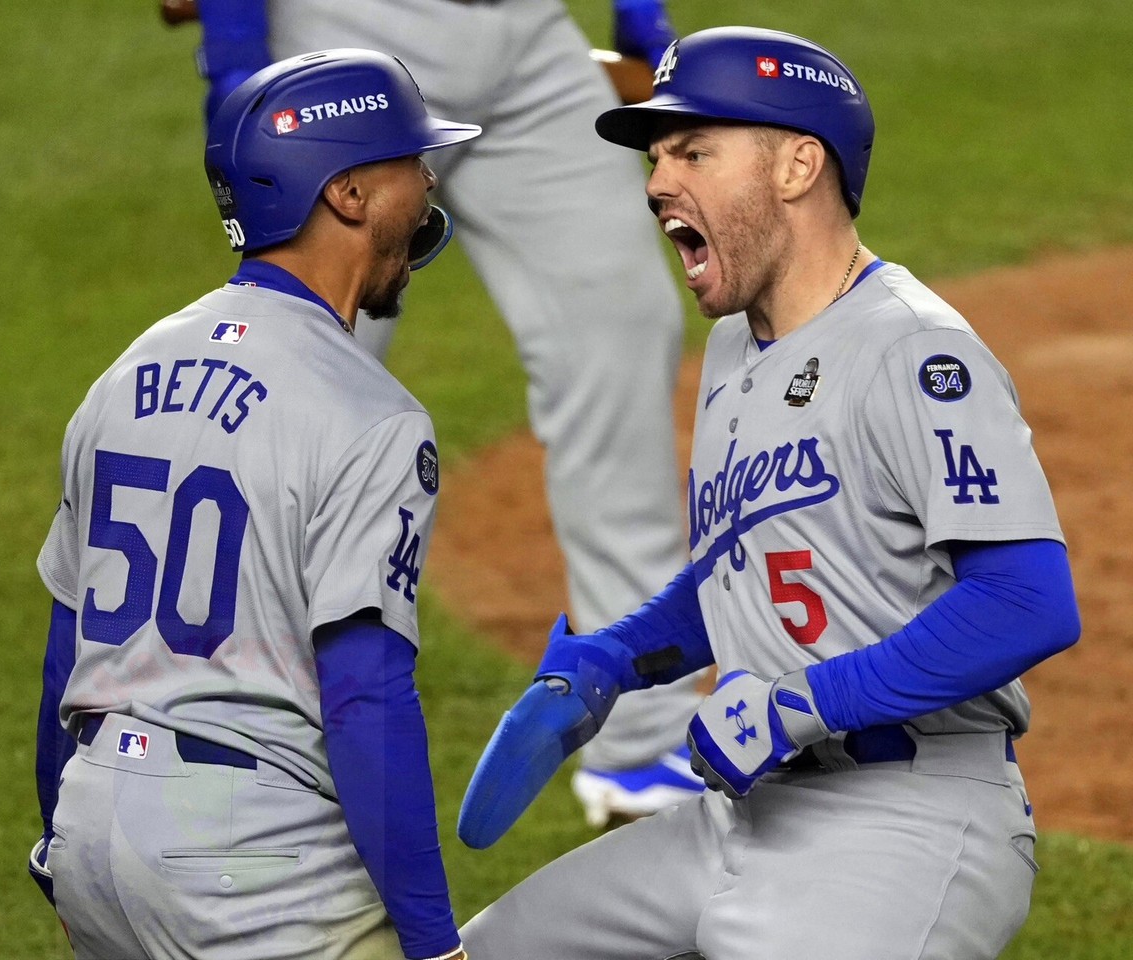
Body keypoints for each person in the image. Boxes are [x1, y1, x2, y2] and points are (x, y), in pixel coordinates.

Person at [456, 26, 1081, 960]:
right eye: (658, 156)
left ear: (798, 165)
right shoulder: (735, 349)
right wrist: (614, 662)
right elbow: (746, 567)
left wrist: (801, 705)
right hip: (745, 811)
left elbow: (1028, 604)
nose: (658, 182)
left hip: (909, 816)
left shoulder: (912, 349)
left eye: (694, 151)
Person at [184, 0, 709, 827]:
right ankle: (227, 725)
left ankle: (640, 737)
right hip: (348, 37)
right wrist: (236, 61)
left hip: (531, 43)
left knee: (620, 325)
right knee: (303, 367)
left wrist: (642, 20)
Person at [27, 49, 483, 960]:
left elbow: (63, 658)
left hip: (93, 821)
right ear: (348, 195)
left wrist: (69, 839)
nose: (428, 183)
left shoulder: (124, 374)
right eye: (407, 162)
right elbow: (367, 697)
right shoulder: (374, 417)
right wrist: (436, 944)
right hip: (250, 865)